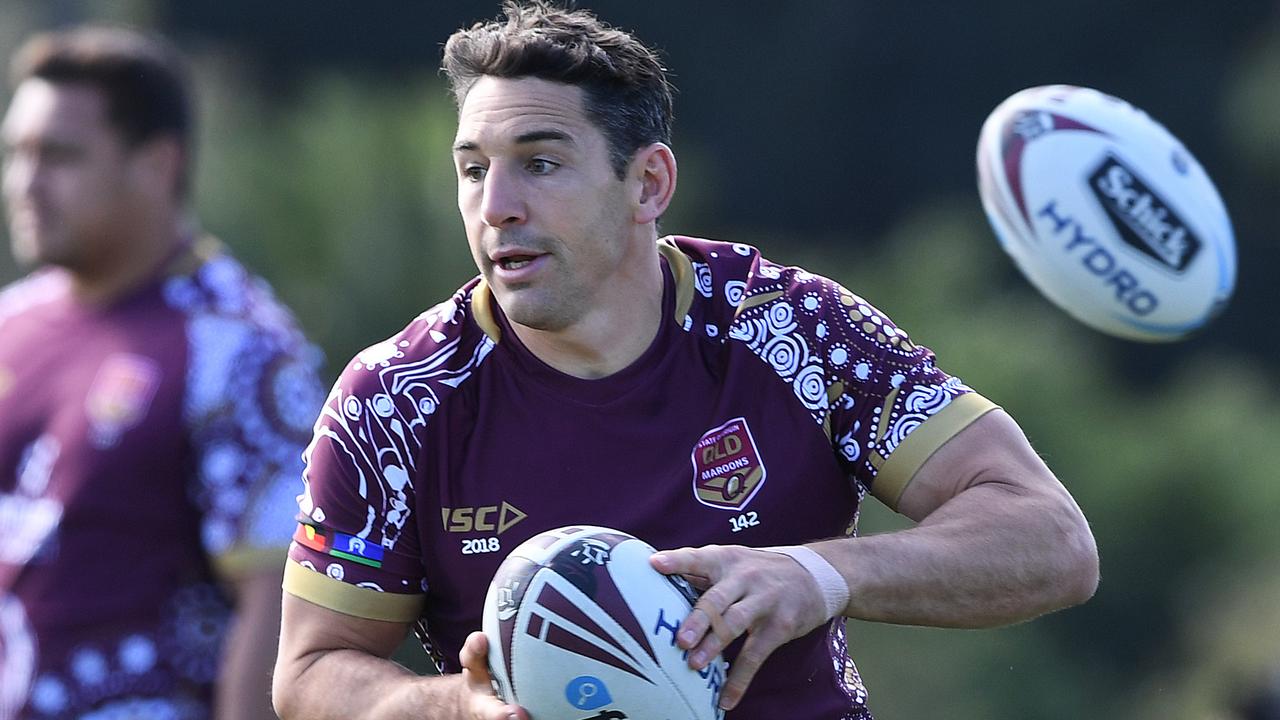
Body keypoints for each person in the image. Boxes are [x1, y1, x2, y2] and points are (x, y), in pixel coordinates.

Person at [272, 2, 1100, 718]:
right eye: (473, 170)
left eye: (541, 163)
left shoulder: (790, 327)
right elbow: (310, 674)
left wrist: (821, 575)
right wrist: (449, 704)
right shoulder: (397, 401)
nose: (496, 206)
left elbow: (1051, 539)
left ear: (648, 184)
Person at [0, 26, 325, 720]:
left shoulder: (238, 348)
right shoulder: (10, 324)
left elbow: (280, 600)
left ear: (157, 164)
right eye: (16, 154)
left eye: (59, 156)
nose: (25, 184)